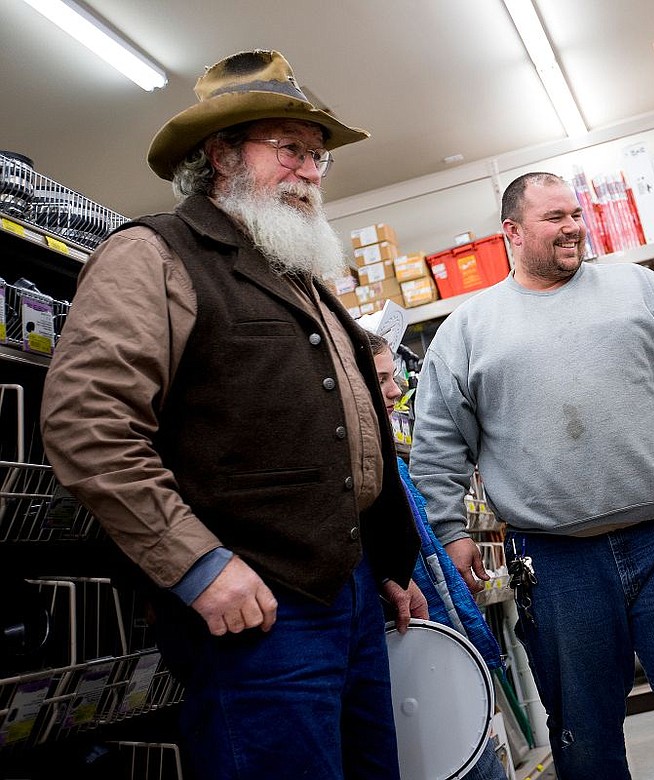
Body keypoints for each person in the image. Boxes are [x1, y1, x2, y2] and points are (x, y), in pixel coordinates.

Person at [39, 50, 426, 780]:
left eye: (318, 158)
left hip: (346, 595)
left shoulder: (299, 275)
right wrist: (198, 565)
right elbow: (87, 425)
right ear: (220, 156)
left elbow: (348, 431)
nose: (312, 172)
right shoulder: (154, 255)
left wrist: (385, 559)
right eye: (292, 151)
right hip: (254, 609)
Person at [408, 171, 654, 779]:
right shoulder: (468, 332)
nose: (573, 226)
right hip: (555, 561)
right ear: (513, 233)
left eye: (576, 214)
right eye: (555, 218)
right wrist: (450, 530)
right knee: (583, 730)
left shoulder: (639, 289)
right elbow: (438, 443)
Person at [366, 329, 511, 780]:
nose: (397, 390)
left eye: (395, 377)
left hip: (432, 644)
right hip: (409, 651)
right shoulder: (370, 465)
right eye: (383, 379)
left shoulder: (388, 458)